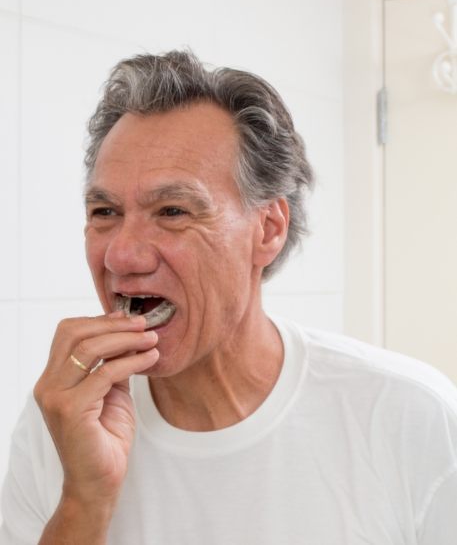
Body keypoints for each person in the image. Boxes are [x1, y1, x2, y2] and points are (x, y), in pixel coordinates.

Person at [1, 50, 457, 545]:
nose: (122, 256)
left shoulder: (410, 415)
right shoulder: (65, 421)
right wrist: (85, 499)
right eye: (105, 211)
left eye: (173, 211)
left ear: (268, 229)